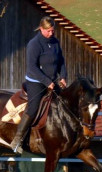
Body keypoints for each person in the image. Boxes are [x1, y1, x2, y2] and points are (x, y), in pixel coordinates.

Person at [10, 16, 67, 154]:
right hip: (35, 81)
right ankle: (17, 140)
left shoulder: (55, 42)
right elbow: (32, 68)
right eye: (48, 31)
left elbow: (61, 61)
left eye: (53, 30)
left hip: (53, 82)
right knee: (34, 107)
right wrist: (47, 82)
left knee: (64, 103)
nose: (51, 33)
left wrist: (63, 77)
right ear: (41, 29)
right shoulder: (34, 44)